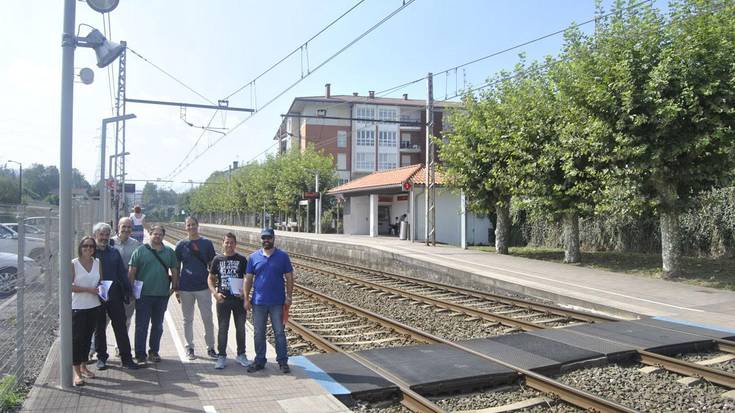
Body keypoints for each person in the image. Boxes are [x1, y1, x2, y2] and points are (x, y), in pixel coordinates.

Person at [244, 228, 294, 374]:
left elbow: (289, 277)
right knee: (259, 332)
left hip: (277, 302)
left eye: (269, 238)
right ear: (261, 239)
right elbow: (248, 279)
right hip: (258, 302)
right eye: (264, 238)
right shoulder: (253, 257)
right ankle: (260, 361)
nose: (266, 240)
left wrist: (289, 296)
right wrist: (246, 299)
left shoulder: (282, 257)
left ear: (273, 238)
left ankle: (283, 361)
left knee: (279, 332)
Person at [128, 225, 179, 363]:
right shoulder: (140, 251)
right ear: (149, 234)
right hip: (143, 295)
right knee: (141, 325)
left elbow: (174, 270)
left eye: (160, 234)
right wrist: (131, 290)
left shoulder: (169, 252)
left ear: (163, 236)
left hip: (162, 295)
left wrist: (174, 287)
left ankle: (154, 351)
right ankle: (140, 354)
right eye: (155, 234)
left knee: (158, 325)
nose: (157, 236)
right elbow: (132, 272)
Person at [91, 222, 139, 370]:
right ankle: (101, 358)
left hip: (114, 294)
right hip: (96, 294)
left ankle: (126, 358)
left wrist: (128, 291)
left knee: (120, 326)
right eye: (101, 234)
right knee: (99, 328)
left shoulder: (114, 252)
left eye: (107, 234)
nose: (104, 237)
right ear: (95, 236)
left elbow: (122, 274)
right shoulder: (90, 252)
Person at [175, 216, 217, 360]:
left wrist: (214, 285)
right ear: (185, 227)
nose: (191, 227)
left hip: (203, 287)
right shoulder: (181, 245)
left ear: (198, 226)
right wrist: (176, 288)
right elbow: (176, 267)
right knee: (187, 319)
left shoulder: (207, 243)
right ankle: (189, 347)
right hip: (186, 287)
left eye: (193, 224)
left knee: (207, 318)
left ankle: (211, 347)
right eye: (188, 225)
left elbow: (212, 265)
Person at [208, 232, 248, 369]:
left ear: (235, 244)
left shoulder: (242, 260)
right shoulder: (217, 260)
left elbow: (248, 278)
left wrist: (244, 292)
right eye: (227, 242)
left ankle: (241, 354)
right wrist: (215, 293)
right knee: (223, 329)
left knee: (241, 329)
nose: (229, 245)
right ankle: (222, 356)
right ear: (222, 243)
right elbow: (211, 278)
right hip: (223, 299)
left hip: (238, 300)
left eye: (232, 242)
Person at [71, 236, 101, 386]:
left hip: (94, 306)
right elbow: (69, 286)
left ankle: (84, 367)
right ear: (80, 247)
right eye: (85, 246)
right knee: (77, 340)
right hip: (78, 307)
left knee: (87, 338)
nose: (88, 249)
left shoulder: (97, 263)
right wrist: (88, 290)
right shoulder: (74, 264)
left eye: (91, 246)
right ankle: (76, 373)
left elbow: (99, 281)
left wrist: (103, 289)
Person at [111, 217, 141, 354]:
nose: (126, 229)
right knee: (103, 319)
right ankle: (92, 349)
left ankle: (119, 346)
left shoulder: (136, 245)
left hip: (128, 288)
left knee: (127, 319)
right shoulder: (110, 242)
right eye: (124, 226)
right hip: (110, 288)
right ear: (118, 227)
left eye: (129, 227)